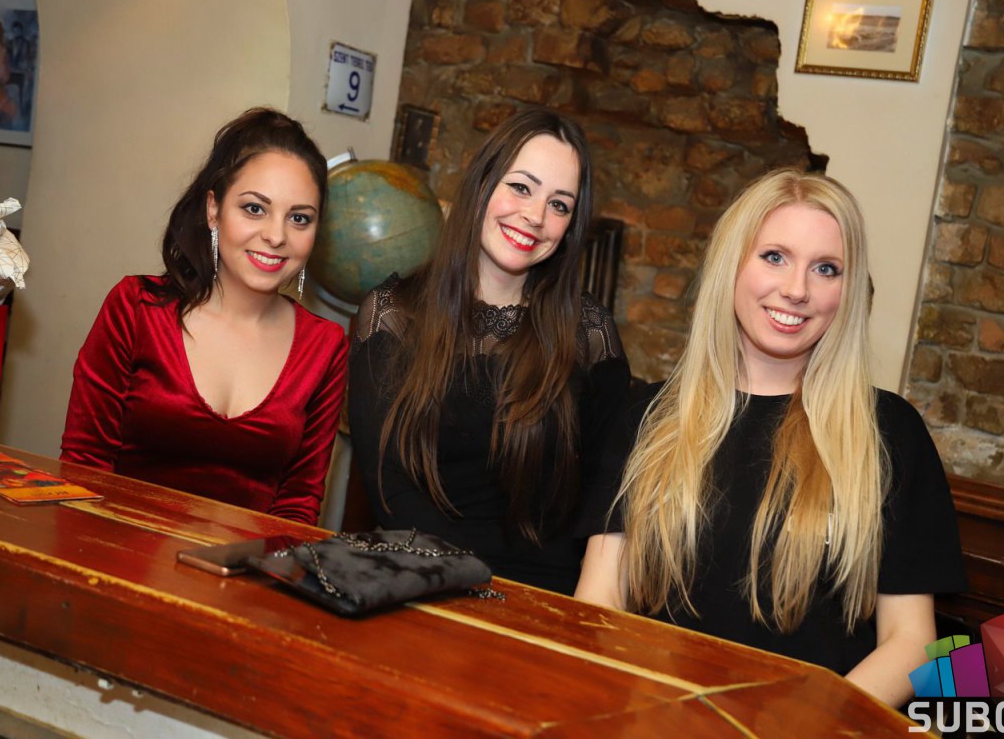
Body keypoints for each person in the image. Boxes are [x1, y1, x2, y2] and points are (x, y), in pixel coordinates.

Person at [574, 168, 965, 706]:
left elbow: (912, 641)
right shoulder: (649, 417)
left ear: (848, 291)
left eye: (826, 268)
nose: (797, 289)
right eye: (775, 257)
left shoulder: (888, 432)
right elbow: (600, 599)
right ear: (732, 265)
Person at [349, 107, 629, 594]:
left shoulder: (589, 334)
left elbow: (608, 494)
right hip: (424, 581)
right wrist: (467, 584)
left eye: (559, 205)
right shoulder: (393, 314)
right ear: (482, 183)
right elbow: (387, 486)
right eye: (520, 187)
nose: (535, 216)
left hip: (542, 595)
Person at [62, 108, 347, 525]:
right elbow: (84, 467)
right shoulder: (136, 308)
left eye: (299, 218)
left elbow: (297, 507)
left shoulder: (325, 346)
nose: (276, 235)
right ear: (214, 209)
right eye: (254, 208)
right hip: (113, 551)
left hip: (246, 564)